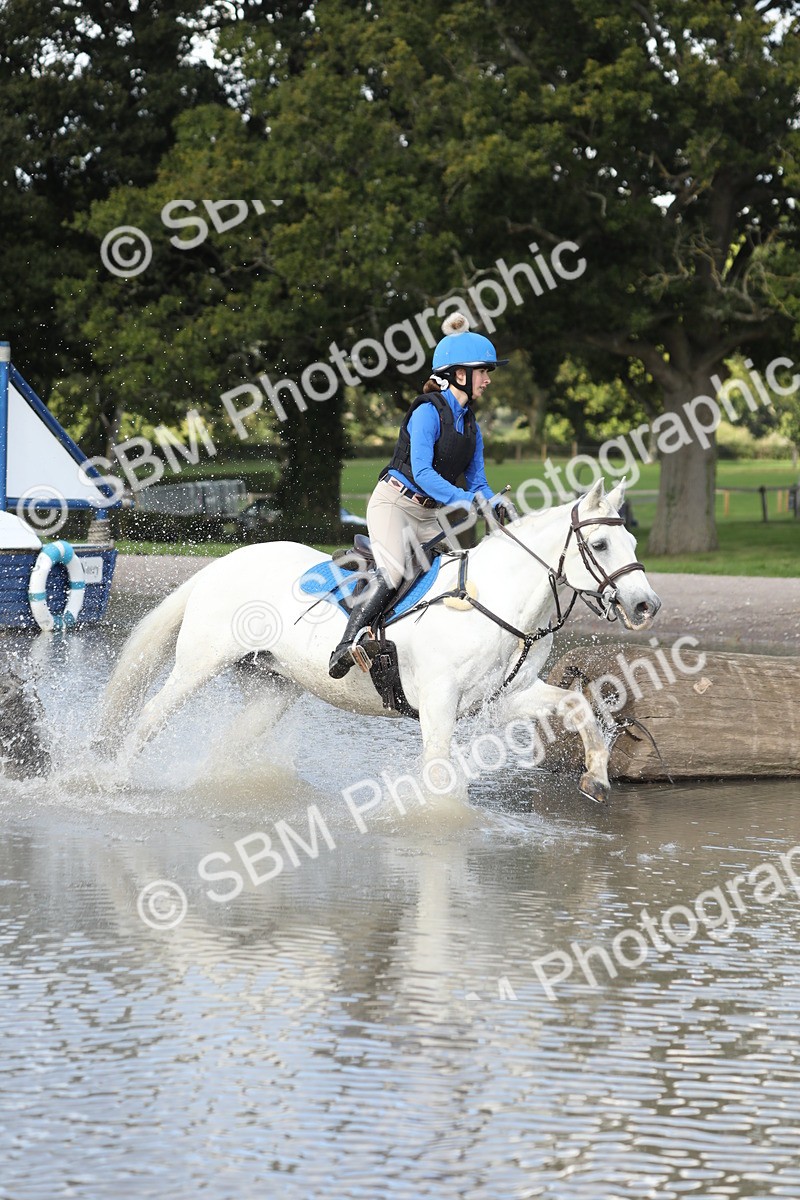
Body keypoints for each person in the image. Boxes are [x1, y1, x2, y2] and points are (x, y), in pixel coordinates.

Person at [329, 311, 512, 679]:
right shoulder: (426, 412)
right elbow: (424, 473)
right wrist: (463, 499)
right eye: (484, 372)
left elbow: (478, 483)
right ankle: (345, 646)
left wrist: (495, 502)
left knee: (454, 574)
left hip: (429, 516)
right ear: (460, 374)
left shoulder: (472, 425)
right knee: (395, 569)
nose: (489, 380)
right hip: (394, 504)